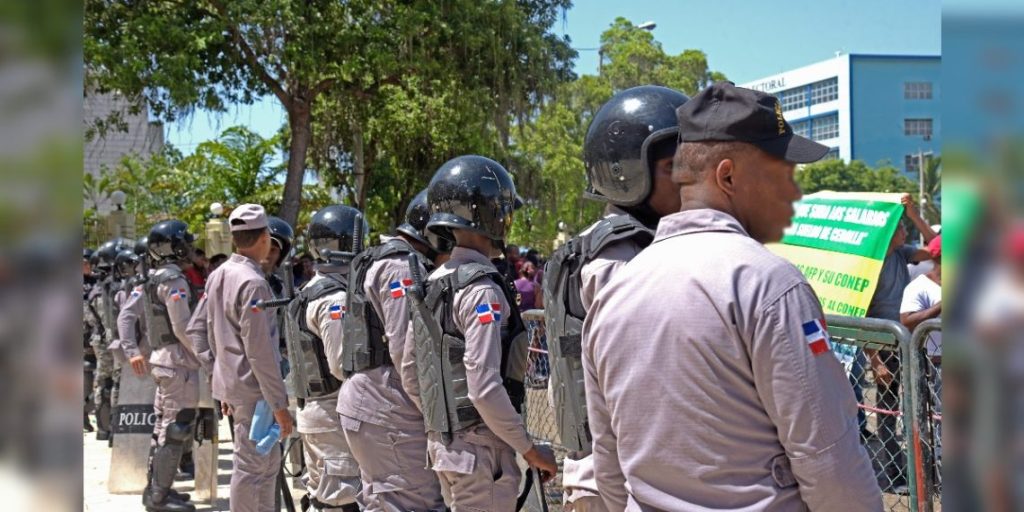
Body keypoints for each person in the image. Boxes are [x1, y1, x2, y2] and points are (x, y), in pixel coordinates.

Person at [582, 82, 880, 510]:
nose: (794, 193)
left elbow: (609, 467)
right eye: (781, 174)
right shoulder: (769, 284)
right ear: (727, 177)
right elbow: (828, 458)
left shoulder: (614, 294)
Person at [542, 84, 689, 512]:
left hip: (602, 465)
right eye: (673, 167)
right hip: (618, 476)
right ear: (629, 174)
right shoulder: (621, 258)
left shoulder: (593, 246)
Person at [408, 155, 558, 511]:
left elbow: (413, 372)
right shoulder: (482, 290)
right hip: (480, 454)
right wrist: (529, 449)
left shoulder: (433, 283)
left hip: (446, 449)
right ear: (492, 215)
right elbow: (484, 387)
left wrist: (446, 426)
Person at [338, 189, 447, 511]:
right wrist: (437, 418)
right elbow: (407, 354)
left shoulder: (382, 257)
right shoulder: (401, 267)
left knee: (383, 502)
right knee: (415, 502)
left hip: (373, 402)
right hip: (389, 406)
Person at [187, 204, 294, 512]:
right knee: (252, 469)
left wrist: (221, 379)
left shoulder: (218, 275)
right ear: (265, 237)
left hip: (241, 390)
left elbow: (198, 331)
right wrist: (280, 405)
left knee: (264, 466)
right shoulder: (253, 282)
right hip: (257, 393)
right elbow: (260, 353)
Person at [282, 205, 364, 512]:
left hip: (318, 411)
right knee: (341, 500)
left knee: (325, 497)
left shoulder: (310, 290)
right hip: (331, 413)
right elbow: (342, 365)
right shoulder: (334, 298)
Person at [863, 194, 937, 493]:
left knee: (919, 404)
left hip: (911, 342)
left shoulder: (901, 254)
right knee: (888, 410)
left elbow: (938, 247)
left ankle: (924, 467)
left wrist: (913, 212)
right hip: (884, 345)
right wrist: (875, 361)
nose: (906, 231)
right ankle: (896, 473)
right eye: (901, 227)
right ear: (888, 232)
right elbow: (862, 313)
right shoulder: (870, 262)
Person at [89, 237, 134, 441]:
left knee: (105, 382)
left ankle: (106, 429)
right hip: (114, 340)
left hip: (105, 339)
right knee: (116, 382)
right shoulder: (115, 286)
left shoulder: (101, 286)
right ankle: (114, 429)